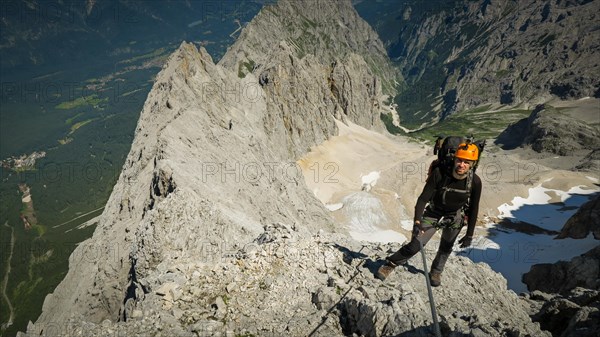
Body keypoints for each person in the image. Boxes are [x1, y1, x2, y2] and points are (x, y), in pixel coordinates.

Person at [377, 143, 482, 286]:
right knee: (416, 244)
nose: (462, 164)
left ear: (472, 164)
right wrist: (417, 223)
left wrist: (469, 234)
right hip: (434, 211)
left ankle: (436, 272)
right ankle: (391, 263)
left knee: (446, 246)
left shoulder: (475, 182)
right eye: (459, 160)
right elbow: (423, 199)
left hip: (455, 214)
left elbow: (474, 208)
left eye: (466, 162)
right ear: (455, 159)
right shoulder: (440, 173)